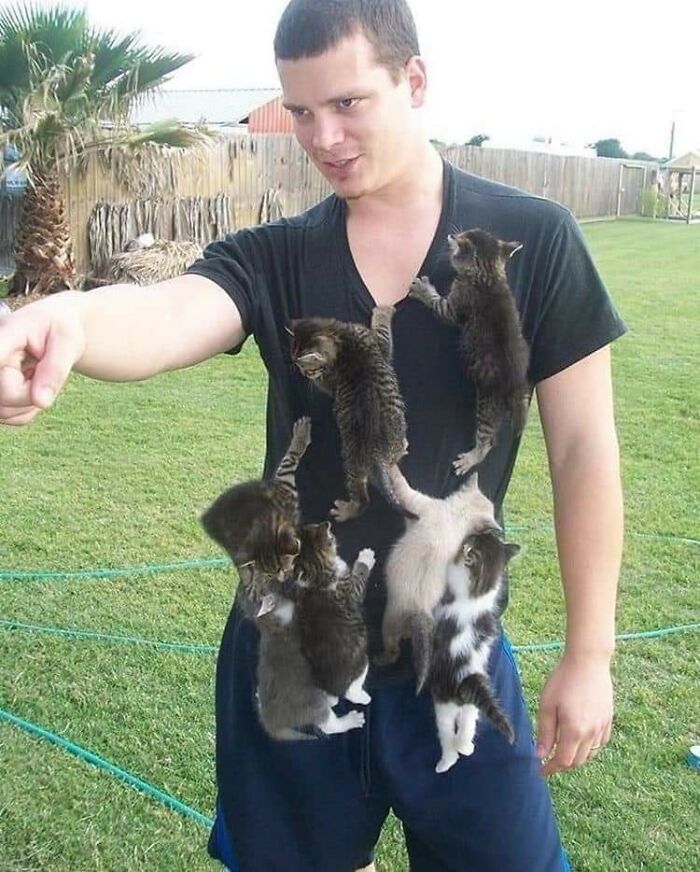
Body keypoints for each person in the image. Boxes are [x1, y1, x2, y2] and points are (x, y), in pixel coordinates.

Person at [0, 1, 625, 869]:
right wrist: (67, 315)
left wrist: (590, 655)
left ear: (414, 80)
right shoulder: (276, 255)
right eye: (298, 111)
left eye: (347, 103)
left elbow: (584, 450)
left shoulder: (530, 242)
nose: (321, 135)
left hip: (454, 651)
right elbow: (167, 312)